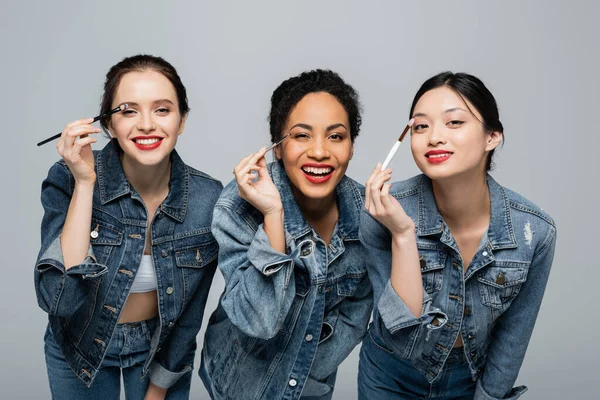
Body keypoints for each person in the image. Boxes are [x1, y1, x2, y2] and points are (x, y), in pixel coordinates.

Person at [358, 72, 556, 399]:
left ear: (492, 137)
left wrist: (489, 395)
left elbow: (514, 336)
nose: (434, 137)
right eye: (421, 126)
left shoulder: (535, 232)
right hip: (390, 375)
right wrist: (404, 234)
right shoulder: (382, 213)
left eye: (454, 123)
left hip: (470, 377)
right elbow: (402, 334)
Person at [34, 54, 222, 399]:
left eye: (163, 110)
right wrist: (85, 183)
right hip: (80, 344)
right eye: (128, 111)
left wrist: (159, 386)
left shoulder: (208, 198)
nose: (147, 124)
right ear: (107, 125)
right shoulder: (68, 179)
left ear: (182, 120)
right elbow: (59, 297)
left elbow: (189, 315)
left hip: (158, 350)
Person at [200, 69, 373, 399]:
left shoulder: (369, 214)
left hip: (311, 382)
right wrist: (273, 215)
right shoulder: (236, 206)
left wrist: (305, 367)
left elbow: (357, 314)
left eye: (336, 136)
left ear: (351, 147)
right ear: (276, 148)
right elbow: (258, 321)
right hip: (238, 381)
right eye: (302, 136)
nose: (320, 152)